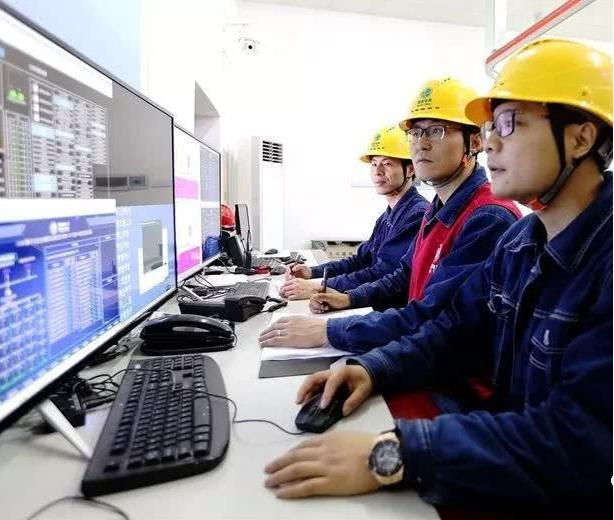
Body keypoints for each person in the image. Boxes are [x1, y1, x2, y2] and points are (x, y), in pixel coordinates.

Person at [264, 38, 613, 511]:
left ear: (580, 139)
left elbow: (576, 440)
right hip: (500, 452)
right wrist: (372, 368)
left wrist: (394, 453)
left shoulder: (587, 256)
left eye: (509, 123)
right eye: (489, 127)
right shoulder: (520, 241)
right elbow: (454, 329)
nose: (490, 142)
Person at [260, 78, 520, 354]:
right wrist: (349, 298)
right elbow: (403, 276)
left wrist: (330, 330)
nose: (422, 144)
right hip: (418, 351)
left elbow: (438, 319)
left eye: (436, 131)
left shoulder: (487, 217)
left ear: (475, 141)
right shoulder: (437, 209)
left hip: (446, 369)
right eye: (415, 133)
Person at [279, 126, 428, 300]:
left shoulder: (416, 215)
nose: (377, 171)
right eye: (374, 164)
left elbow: (382, 273)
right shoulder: (387, 217)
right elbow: (360, 261)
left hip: (389, 306)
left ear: (410, 170)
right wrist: (312, 272)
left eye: (387, 163)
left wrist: (319, 287)